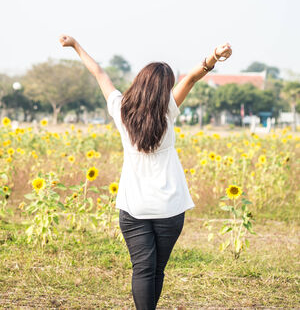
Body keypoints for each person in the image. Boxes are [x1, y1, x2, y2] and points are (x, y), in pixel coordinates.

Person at [59, 35, 232, 310]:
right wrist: (215, 55)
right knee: (157, 270)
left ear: (139, 83)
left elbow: (100, 73)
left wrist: (76, 46)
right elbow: (193, 78)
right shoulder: (167, 111)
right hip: (170, 207)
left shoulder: (120, 110)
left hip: (133, 207)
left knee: (142, 269)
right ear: (163, 90)